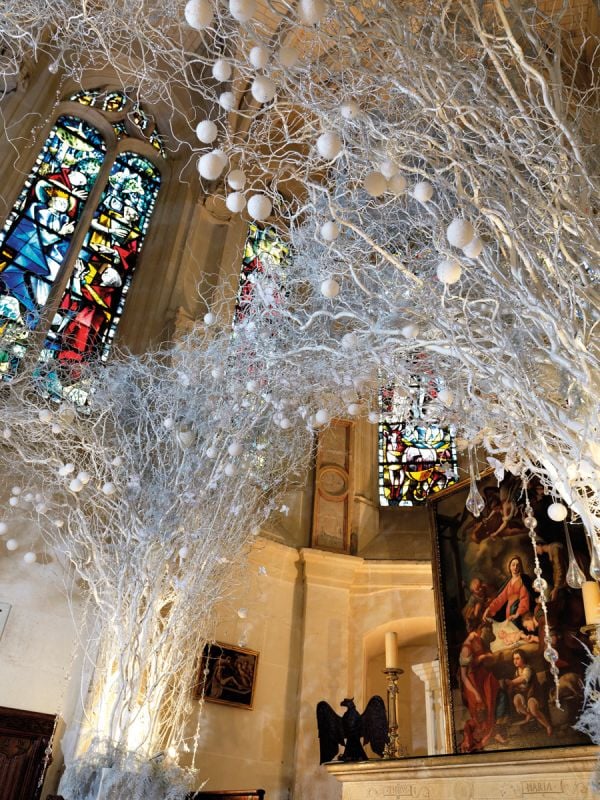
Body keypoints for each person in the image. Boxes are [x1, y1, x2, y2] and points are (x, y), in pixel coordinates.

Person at [459, 621, 507, 752]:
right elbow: (464, 676)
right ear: (472, 631)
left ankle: (493, 733)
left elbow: (489, 656)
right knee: (481, 712)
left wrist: (485, 657)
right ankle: (484, 737)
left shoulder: (478, 641)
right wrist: (475, 694)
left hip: (483, 679)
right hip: (473, 683)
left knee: (491, 706)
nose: (479, 634)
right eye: (477, 631)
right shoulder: (466, 648)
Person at [504, 649, 552, 736]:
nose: (515, 661)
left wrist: (511, 683)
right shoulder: (516, 671)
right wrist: (511, 688)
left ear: (523, 659)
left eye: (517, 658)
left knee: (534, 710)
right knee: (516, 700)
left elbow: (523, 679)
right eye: (514, 659)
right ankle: (528, 714)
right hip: (524, 694)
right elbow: (515, 686)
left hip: (533, 693)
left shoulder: (528, 669)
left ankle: (547, 726)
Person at [483, 555, 534, 627]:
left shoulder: (523, 580)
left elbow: (524, 598)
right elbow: (501, 598)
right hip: (509, 615)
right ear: (509, 567)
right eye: (513, 565)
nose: (515, 567)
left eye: (517, 565)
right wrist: (489, 609)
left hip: (518, 615)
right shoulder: (509, 582)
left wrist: (517, 614)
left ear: (520, 567)